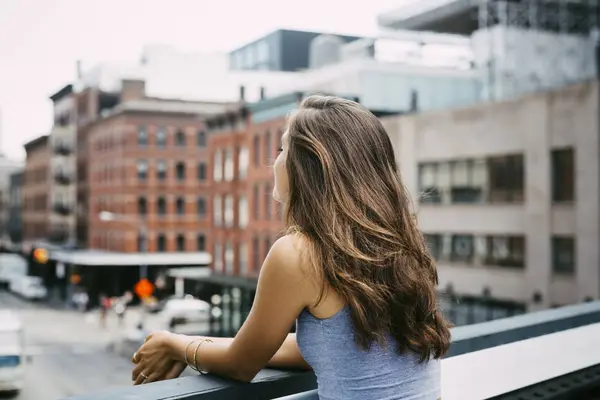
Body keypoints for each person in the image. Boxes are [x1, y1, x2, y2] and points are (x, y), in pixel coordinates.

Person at [131, 95, 451, 399]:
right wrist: (189, 341)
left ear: (310, 166)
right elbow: (324, 346)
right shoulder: (398, 242)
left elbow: (241, 364)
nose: (275, 161)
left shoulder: (298, 253)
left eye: (282, 149)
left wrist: (175, 346)